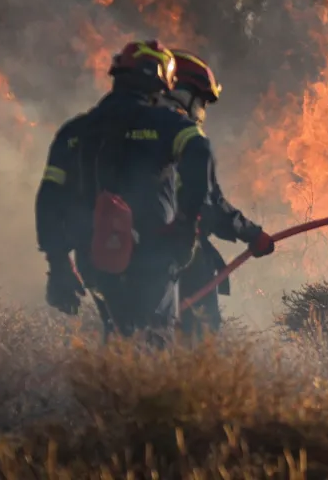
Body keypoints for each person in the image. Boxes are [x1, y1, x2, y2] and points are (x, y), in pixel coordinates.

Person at [34, 39, 213, 341]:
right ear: (160, 80)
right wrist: (185, 225)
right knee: (153, 338)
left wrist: (58, 263)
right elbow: (200, 155)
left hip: (95, 257)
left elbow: (50, 198)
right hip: (153, 254)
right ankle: (140, 386)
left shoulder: (74, 130)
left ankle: (115, 384)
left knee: (117, 334)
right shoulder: (168, 124)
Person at [158, 50, 274, 339]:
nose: (202, 110)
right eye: (202, 100)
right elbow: (209, 205)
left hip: (121, 251)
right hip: (177, 250)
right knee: (198, 335)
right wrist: (252, 234)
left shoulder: (131, 129)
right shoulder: (181, 133)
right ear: (182, 92)